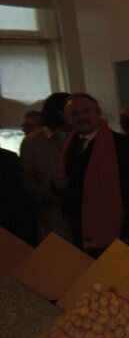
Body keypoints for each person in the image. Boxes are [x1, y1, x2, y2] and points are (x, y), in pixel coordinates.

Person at [54, 93, 129, 255]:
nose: (82, 117)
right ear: (68, 118)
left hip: (118, 230)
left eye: (86, 111)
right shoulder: (69, 145)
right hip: (80, 229)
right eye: (75, 113)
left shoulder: (122, 144)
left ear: (98, 113)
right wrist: (58, 185)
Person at [19, 92, 70, 243]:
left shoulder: (83, 137)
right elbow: (26, 176)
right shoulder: (33, 142)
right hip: (51, 211)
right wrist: (44, 193)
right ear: (61, 113)